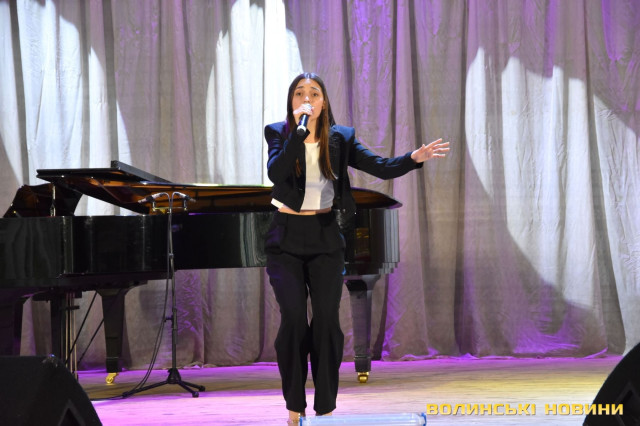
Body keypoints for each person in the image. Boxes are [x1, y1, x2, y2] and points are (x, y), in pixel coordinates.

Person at [264, 72, 450, 424]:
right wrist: (298, 134)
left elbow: (379, 167)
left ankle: (325, 408)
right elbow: (276, 173)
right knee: (293, 321)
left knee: (326, 323)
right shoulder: (278, 132)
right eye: (300, 94)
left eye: (314, 93)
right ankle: (294, 407)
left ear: (324, 102)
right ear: (292, 102)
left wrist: (413, 158)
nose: (307, 98)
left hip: (325, 238)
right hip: (285, 239)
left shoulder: (341, 137)